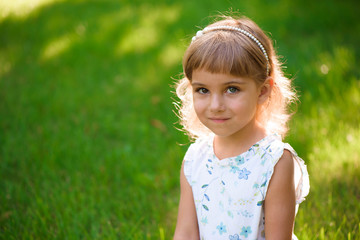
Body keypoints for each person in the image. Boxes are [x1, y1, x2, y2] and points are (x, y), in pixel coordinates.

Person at [173, 15, 310, 240]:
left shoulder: (274, 161)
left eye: (232, 89)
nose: (216, 106)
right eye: (203, 90)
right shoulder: (195, 159)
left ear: (263, 91)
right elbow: (186, 233)